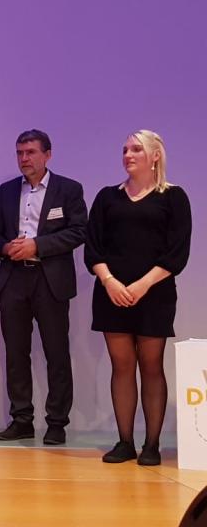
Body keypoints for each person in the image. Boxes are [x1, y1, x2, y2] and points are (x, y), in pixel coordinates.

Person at [85, 130, 191, 466]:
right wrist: (111, 282)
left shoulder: (173, 197)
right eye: (125, 149)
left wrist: (143, 285)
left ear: (155, 156)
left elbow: (177, 253)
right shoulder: (106, 197)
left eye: (136, 149)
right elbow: (93, 247)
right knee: (122, 367)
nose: (128, 155)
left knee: (151, 367)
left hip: (154, 294)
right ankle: (125, 441)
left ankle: (152, 445)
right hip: (111, 294)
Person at [0, 129, 87, 445]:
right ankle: (22, 419)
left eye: (30, 152)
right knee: (16, 353)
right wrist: (7, 248)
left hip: (50, 280)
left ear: (47, 154)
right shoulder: (5, 191)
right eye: (20, 153)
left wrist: (37, 246)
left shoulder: (68, 189)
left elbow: (79, 231)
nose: (24, 159)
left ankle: (57, 422)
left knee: (56, 352)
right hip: (13, 278)